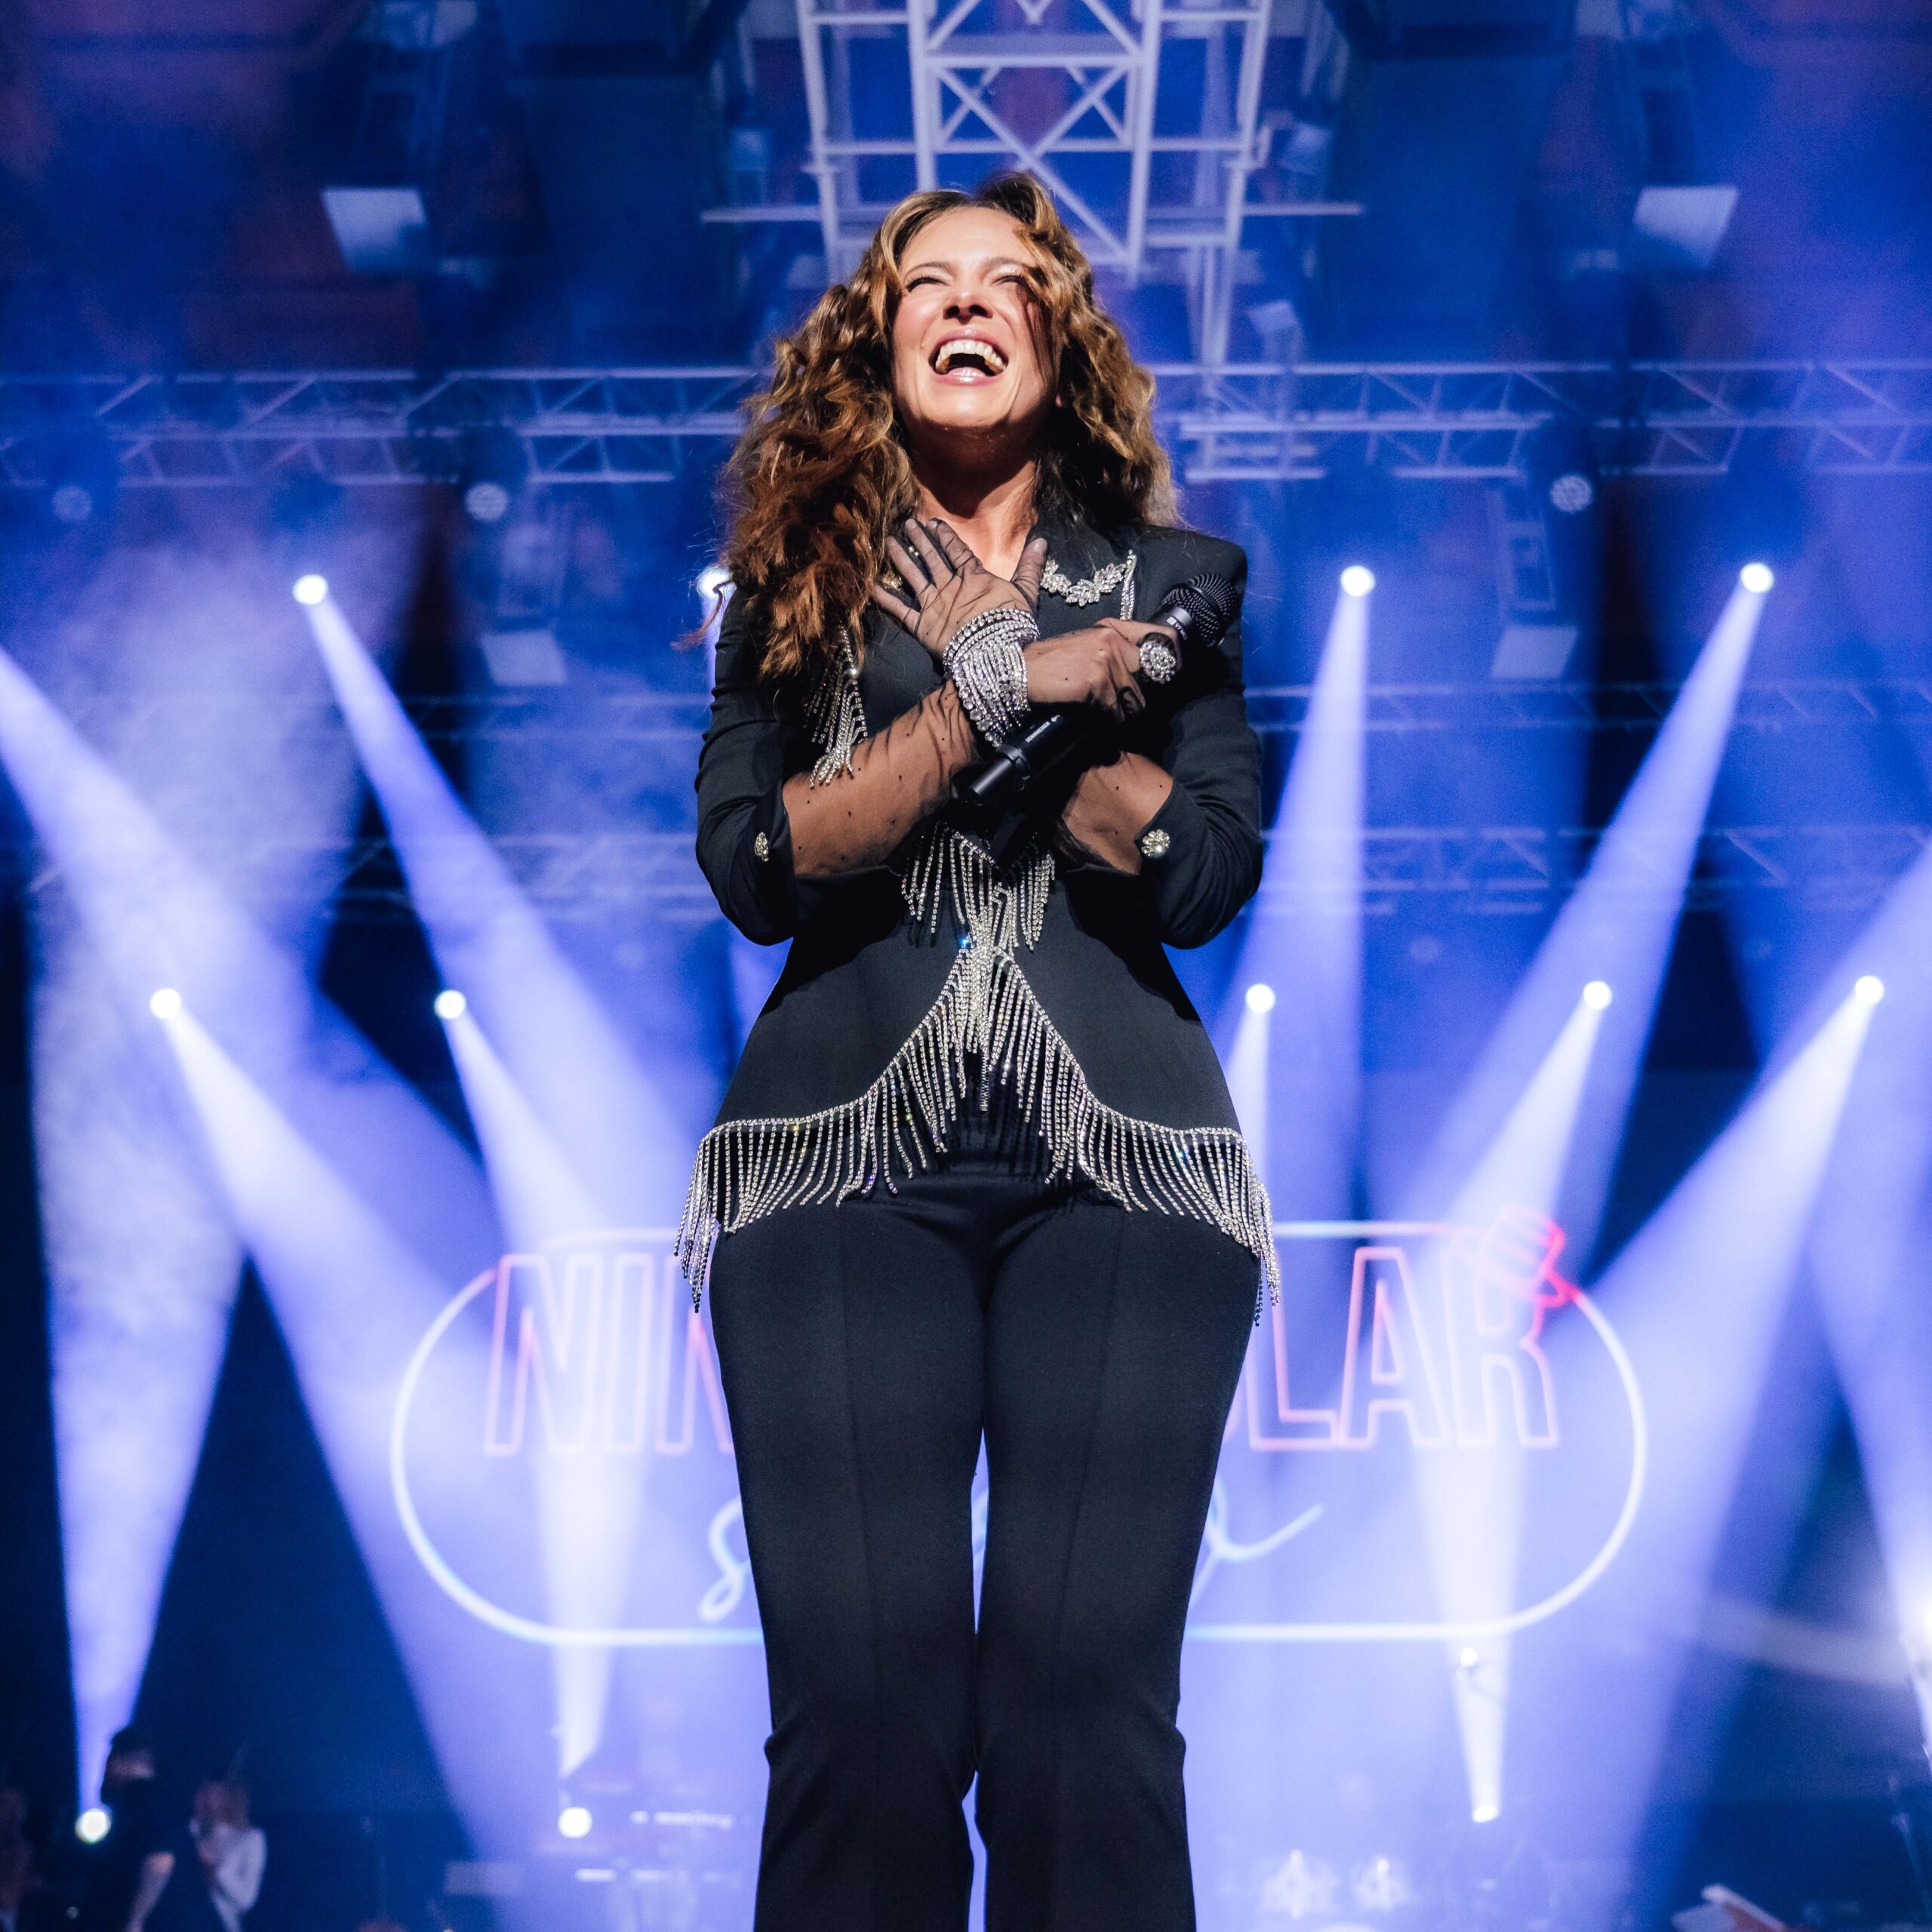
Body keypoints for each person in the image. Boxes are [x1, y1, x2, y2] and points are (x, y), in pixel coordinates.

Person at [683, 171, 1272, 1931]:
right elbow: (762, 863)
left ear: (1051, 337)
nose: (960, 301)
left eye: (1002, 281)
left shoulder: (1173, 589)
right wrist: (1001, 686)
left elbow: (1197, 868)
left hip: (1125, 1167)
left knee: (1080, 1709)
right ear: (877, 344)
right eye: (923, 282)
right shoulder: (790, 594)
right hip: (836, 1158)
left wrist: (1028, 670)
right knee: (865, 1711)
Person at [78, 1734, 220, 1932]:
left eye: (108, 1761)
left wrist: (134, 1923)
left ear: (119, 1761)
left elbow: (161, 1861)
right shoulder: (158, 1802)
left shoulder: (141, 1801)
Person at [189, 1780, 263, 1932]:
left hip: (220, 1924)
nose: (206, 1798)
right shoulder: (191, 1832)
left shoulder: (250, 1838)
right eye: (203, 1791)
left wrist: (215, 1870)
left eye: (214, 1793)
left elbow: (247, 1900)